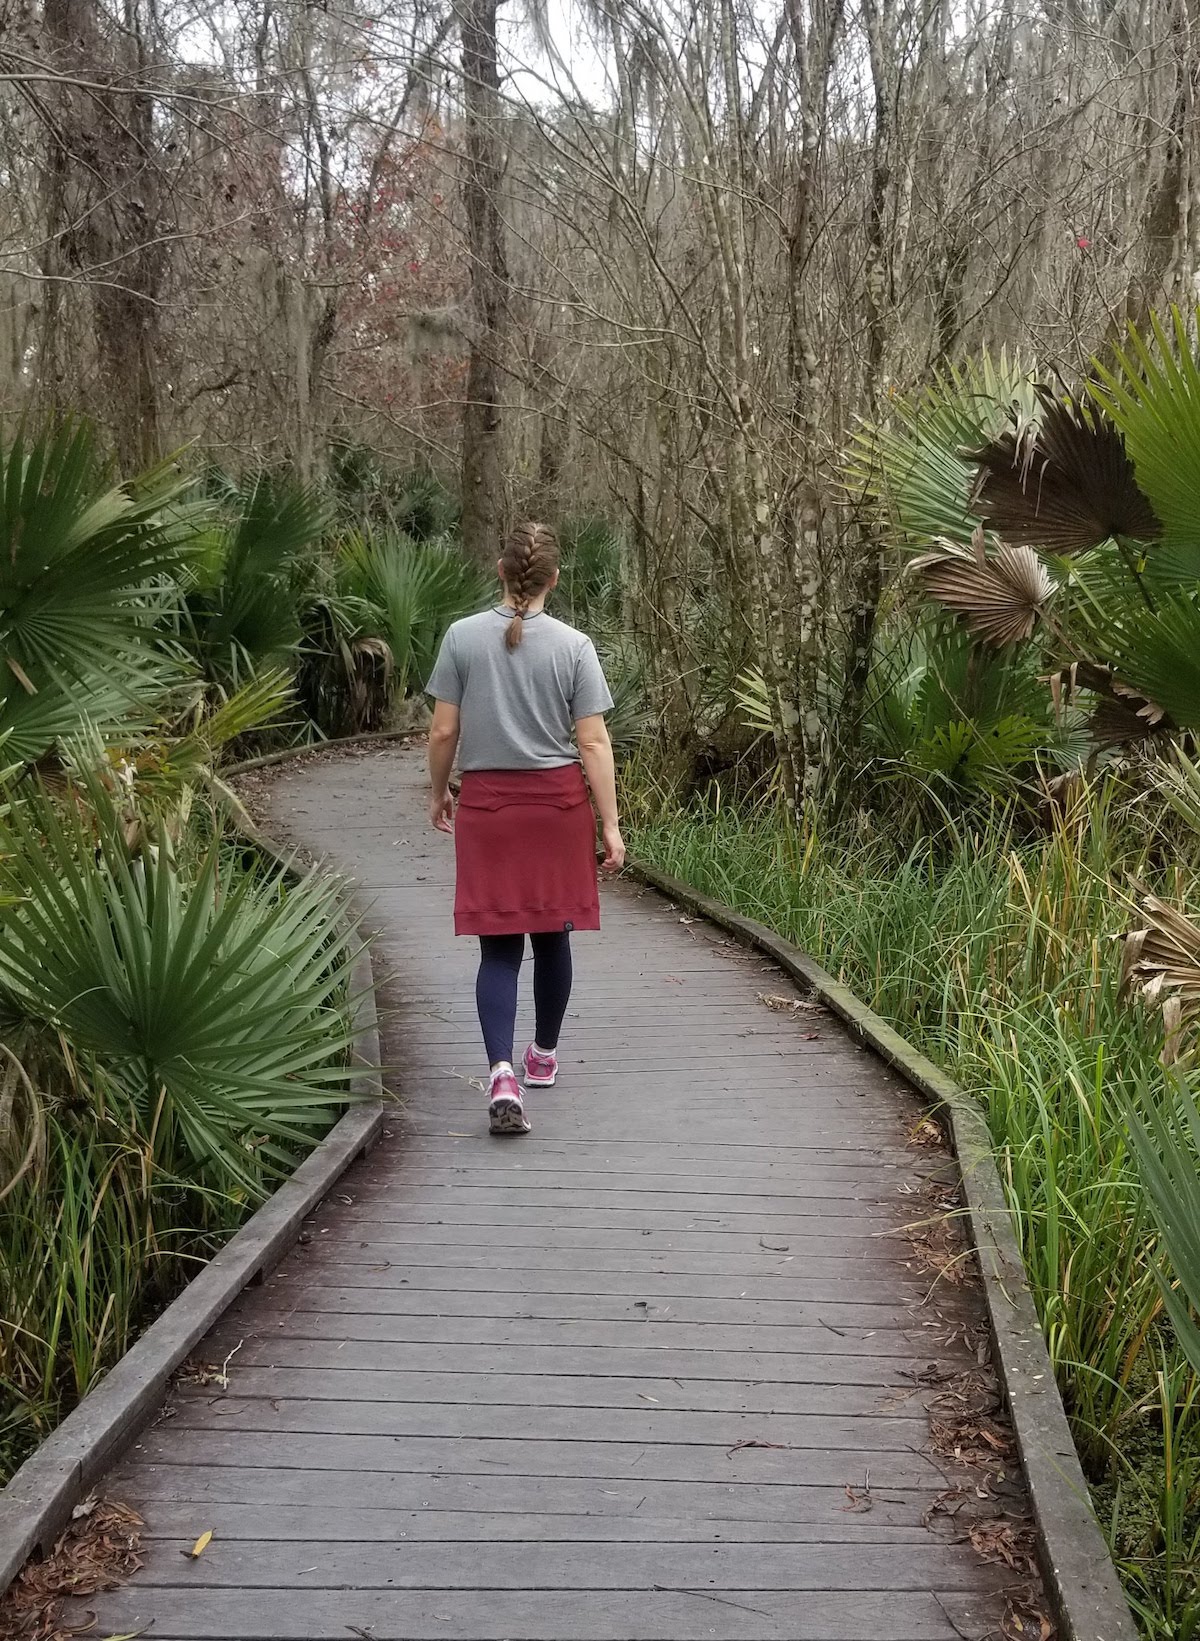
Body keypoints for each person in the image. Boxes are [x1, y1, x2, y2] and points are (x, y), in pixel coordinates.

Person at [424, 521, 625, 1136]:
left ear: (501, 570)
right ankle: (543, 1055)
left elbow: (442, 732)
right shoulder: (575, 646)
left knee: (499, 946)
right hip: (557, 809)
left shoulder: (461, 638)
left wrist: (438, 794)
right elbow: (592, 743)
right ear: (553, 580)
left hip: (488, 807)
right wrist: (611, 826)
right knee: (552, 935)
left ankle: (502, 1072)